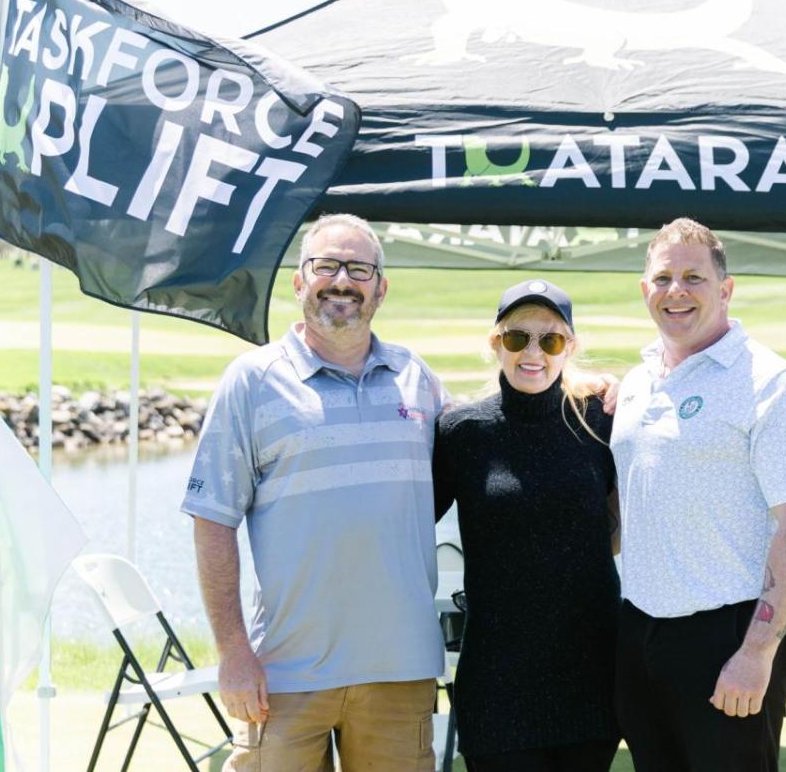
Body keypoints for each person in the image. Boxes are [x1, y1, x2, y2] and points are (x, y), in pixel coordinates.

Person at [181, 213, 446, 772]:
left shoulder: (416, 378)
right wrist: (232, 653)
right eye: (326, 266)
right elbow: (212, 521)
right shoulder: (251, 381)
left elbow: (484, 448)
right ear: (299, 281)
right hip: (282, 676)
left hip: (398, 673)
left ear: (381, 286)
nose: (342, 281)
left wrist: (583, 389)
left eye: (359, 268)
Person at [610, 218, 786, 772]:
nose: (675, 291)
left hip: (728, 636)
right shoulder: (637, 383)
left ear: (726, 289)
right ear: (644, 290)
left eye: (694, 277)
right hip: (639, 631)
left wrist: (757, 654)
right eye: (662, 278)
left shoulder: (773, 385)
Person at [432, 279, 621, 772]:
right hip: (497, 679)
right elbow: (404, 524)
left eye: (551, 339)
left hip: (590, 672)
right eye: (517, 337)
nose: (533, 352)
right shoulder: (461, 432)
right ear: (496, 343)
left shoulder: (602, 420)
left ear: (570, 347)